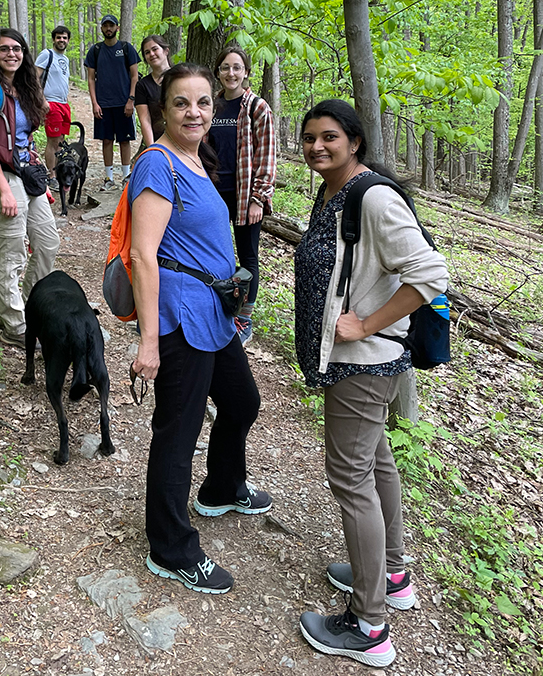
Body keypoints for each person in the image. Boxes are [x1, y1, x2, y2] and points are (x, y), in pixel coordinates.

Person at [294, 99, 448, 668]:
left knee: (349, 476)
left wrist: (364, 324)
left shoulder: (373, 196)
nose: (316, 147)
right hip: (354, 361)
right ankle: (393, 571)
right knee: (376, 460)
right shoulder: (332, 191)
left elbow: (430, 274)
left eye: (329, 137)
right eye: (309, 138)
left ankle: (370, 625)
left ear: (354, 141)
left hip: (364, 361)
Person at [129, 62, 272, 595]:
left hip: (213, 312)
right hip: (179, 317)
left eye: (204, 103)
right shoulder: (157, 165)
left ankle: (221, 487)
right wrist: (148, 342)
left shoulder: (196, 160)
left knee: (241, 402)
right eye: (182, 103)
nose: (195, 112)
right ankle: (171, 548)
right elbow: (143, 256)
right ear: (162, 109)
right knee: (178, 429)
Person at [0, 29, 60, 349]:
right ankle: (14, 323)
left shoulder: (22, 86)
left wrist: (39, 178)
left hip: (26, 173)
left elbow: (26, 137)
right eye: (4, 49)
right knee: (13, 251)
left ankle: (29, 304)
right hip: (1, 176)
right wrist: (5, 191)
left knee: (47, 243)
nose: (12, 54)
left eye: (17, 49)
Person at [209, 45, 276, 346]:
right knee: (218, 252)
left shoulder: (256, 107)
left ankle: (244, 318)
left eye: (237, 67)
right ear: (218, 72)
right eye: (225, 67)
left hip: (245, 195)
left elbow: (267, 155)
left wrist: (258, 198)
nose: (231, 73)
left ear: (246, 72)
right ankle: (221, 307)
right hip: (213, 193)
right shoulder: (212, 105)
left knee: (247, 257)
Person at [85, 15, 140, 191]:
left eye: (111, 25)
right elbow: (91, 79)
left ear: (117, 27)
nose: (108, 28)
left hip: (124, 103)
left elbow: (134, 76)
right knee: (106, 140)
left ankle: (125, 178)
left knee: (125, 141)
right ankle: (108, 179)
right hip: (103, 104)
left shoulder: (126, 48)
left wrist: (131, 99)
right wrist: (94, 103)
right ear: (101, 29)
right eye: (105, 25)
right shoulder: (95, 50)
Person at [35, 25, 72, 191]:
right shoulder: (46, 54)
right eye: (58, 37)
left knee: (61, 140)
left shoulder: (66, 59)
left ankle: (58, 172)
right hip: (51, 103)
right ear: (53, 39)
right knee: (53, 140)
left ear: (68, 40)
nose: (61, 40)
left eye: (64, 38)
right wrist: (42, 101)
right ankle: (51, 176)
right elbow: (35, 78)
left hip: (64, 104)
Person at [134, 34, 171, 147]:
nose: (152, 54)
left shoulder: (181, 77)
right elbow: (145, 120)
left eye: (155, 49)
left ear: (166, 51)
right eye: (147, 52)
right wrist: (152, 148)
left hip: (183, 140)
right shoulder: (142, 85)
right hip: (158, 142)